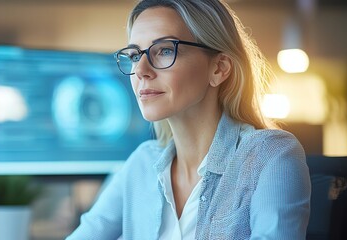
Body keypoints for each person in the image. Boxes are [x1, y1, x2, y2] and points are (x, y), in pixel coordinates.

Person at [67, 0, 311, 239]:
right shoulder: (142, 164)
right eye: (134, 55)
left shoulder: (270, 155)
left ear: (218, 68)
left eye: (164, 50)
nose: (140, 70)